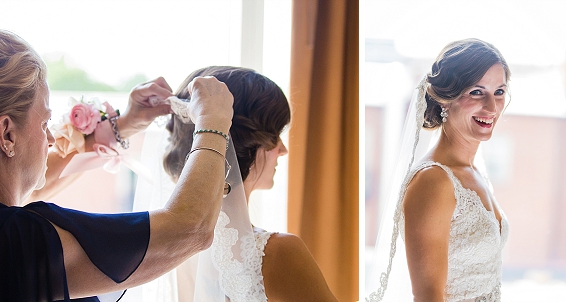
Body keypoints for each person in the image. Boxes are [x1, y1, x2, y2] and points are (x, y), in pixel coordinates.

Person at [0, 27, 234, 301]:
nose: (50, 139)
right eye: (44, 122)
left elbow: (34, 180)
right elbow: (187, 230)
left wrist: (122, 125)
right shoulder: (13, 240)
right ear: (6, 133)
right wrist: (213, 123)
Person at [126, 66, 337, 301]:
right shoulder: (277, 254)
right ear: (246, 144)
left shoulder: (160, 247)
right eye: (275, 136)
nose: (283, 150)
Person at [366, 39, 510, 302]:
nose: (491, 107)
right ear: (446, 99)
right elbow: (427, 296)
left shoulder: (473, 171)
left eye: (499, 92)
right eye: (477, 92)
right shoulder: (434, 181)